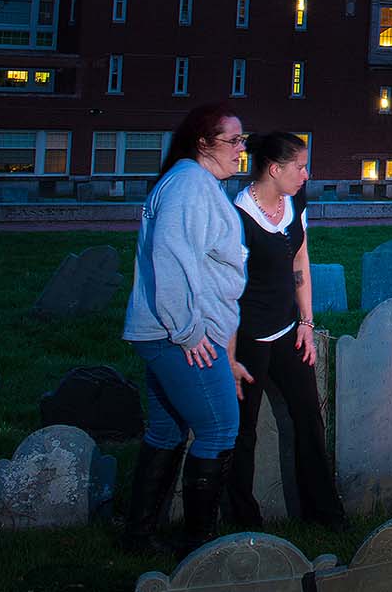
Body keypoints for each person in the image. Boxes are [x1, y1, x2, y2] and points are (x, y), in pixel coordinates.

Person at [118, 102, 253, 556]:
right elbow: (170, 260)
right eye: (233, 141)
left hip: (171, 331)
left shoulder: (197, 183)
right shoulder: (189, 186)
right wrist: (190, 332)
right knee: (219, 429)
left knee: (166, 431)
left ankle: (138, 537)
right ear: (203, 143)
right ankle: (199, 545)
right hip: (177, 333)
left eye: (242, 140)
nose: (241, 149)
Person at [225, 131, 350, 532]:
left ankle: (324, 513)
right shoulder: (238, 216)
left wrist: (307, 323)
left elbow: (300, 257)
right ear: (274, 169)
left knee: (309, 419)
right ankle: (245, 521)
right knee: (242, 432)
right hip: (247, 337)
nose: (306, 173)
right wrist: (228, 353)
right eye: (299, 166)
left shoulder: (296, 200)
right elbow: (226, 291)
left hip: (288, 331)